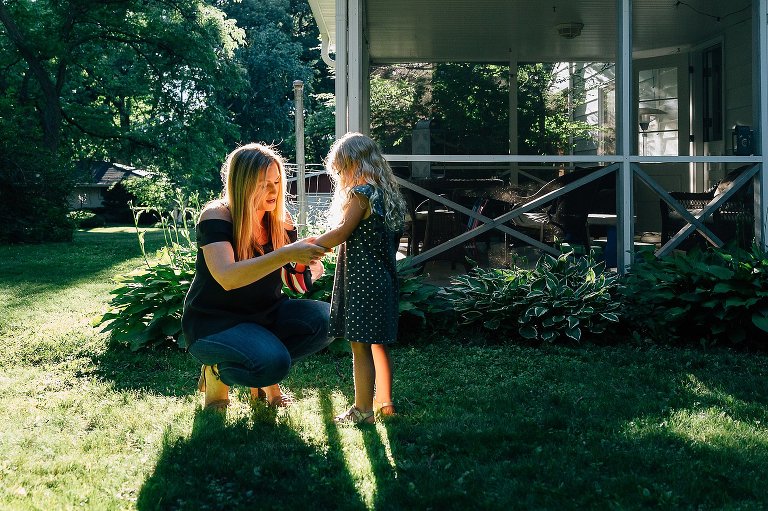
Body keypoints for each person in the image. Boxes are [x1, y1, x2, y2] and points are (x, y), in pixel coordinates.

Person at [182, 143, 332, 410]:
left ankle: (263, 364)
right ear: (242, 183)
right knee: (273, 363)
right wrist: (285, 254)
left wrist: (308, 269)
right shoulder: (218, 215)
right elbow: (227, 277)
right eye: (264, 184)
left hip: (265, 316)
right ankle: (217, 371)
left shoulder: (280, 220)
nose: (274, 191)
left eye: (277, 181)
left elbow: (289, 282)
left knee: (330, 320)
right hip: (214, 324)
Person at [314, 132, 407, 424]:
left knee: (360, 346)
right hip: (383, 279)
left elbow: (341, 233)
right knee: (378, 343)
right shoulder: (386, 194)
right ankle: (384, 402)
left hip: (363, 282)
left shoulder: (361, 193)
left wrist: (307, 246)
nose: (341, 175)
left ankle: (363, 410)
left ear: (357, 163)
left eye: (342, 168)